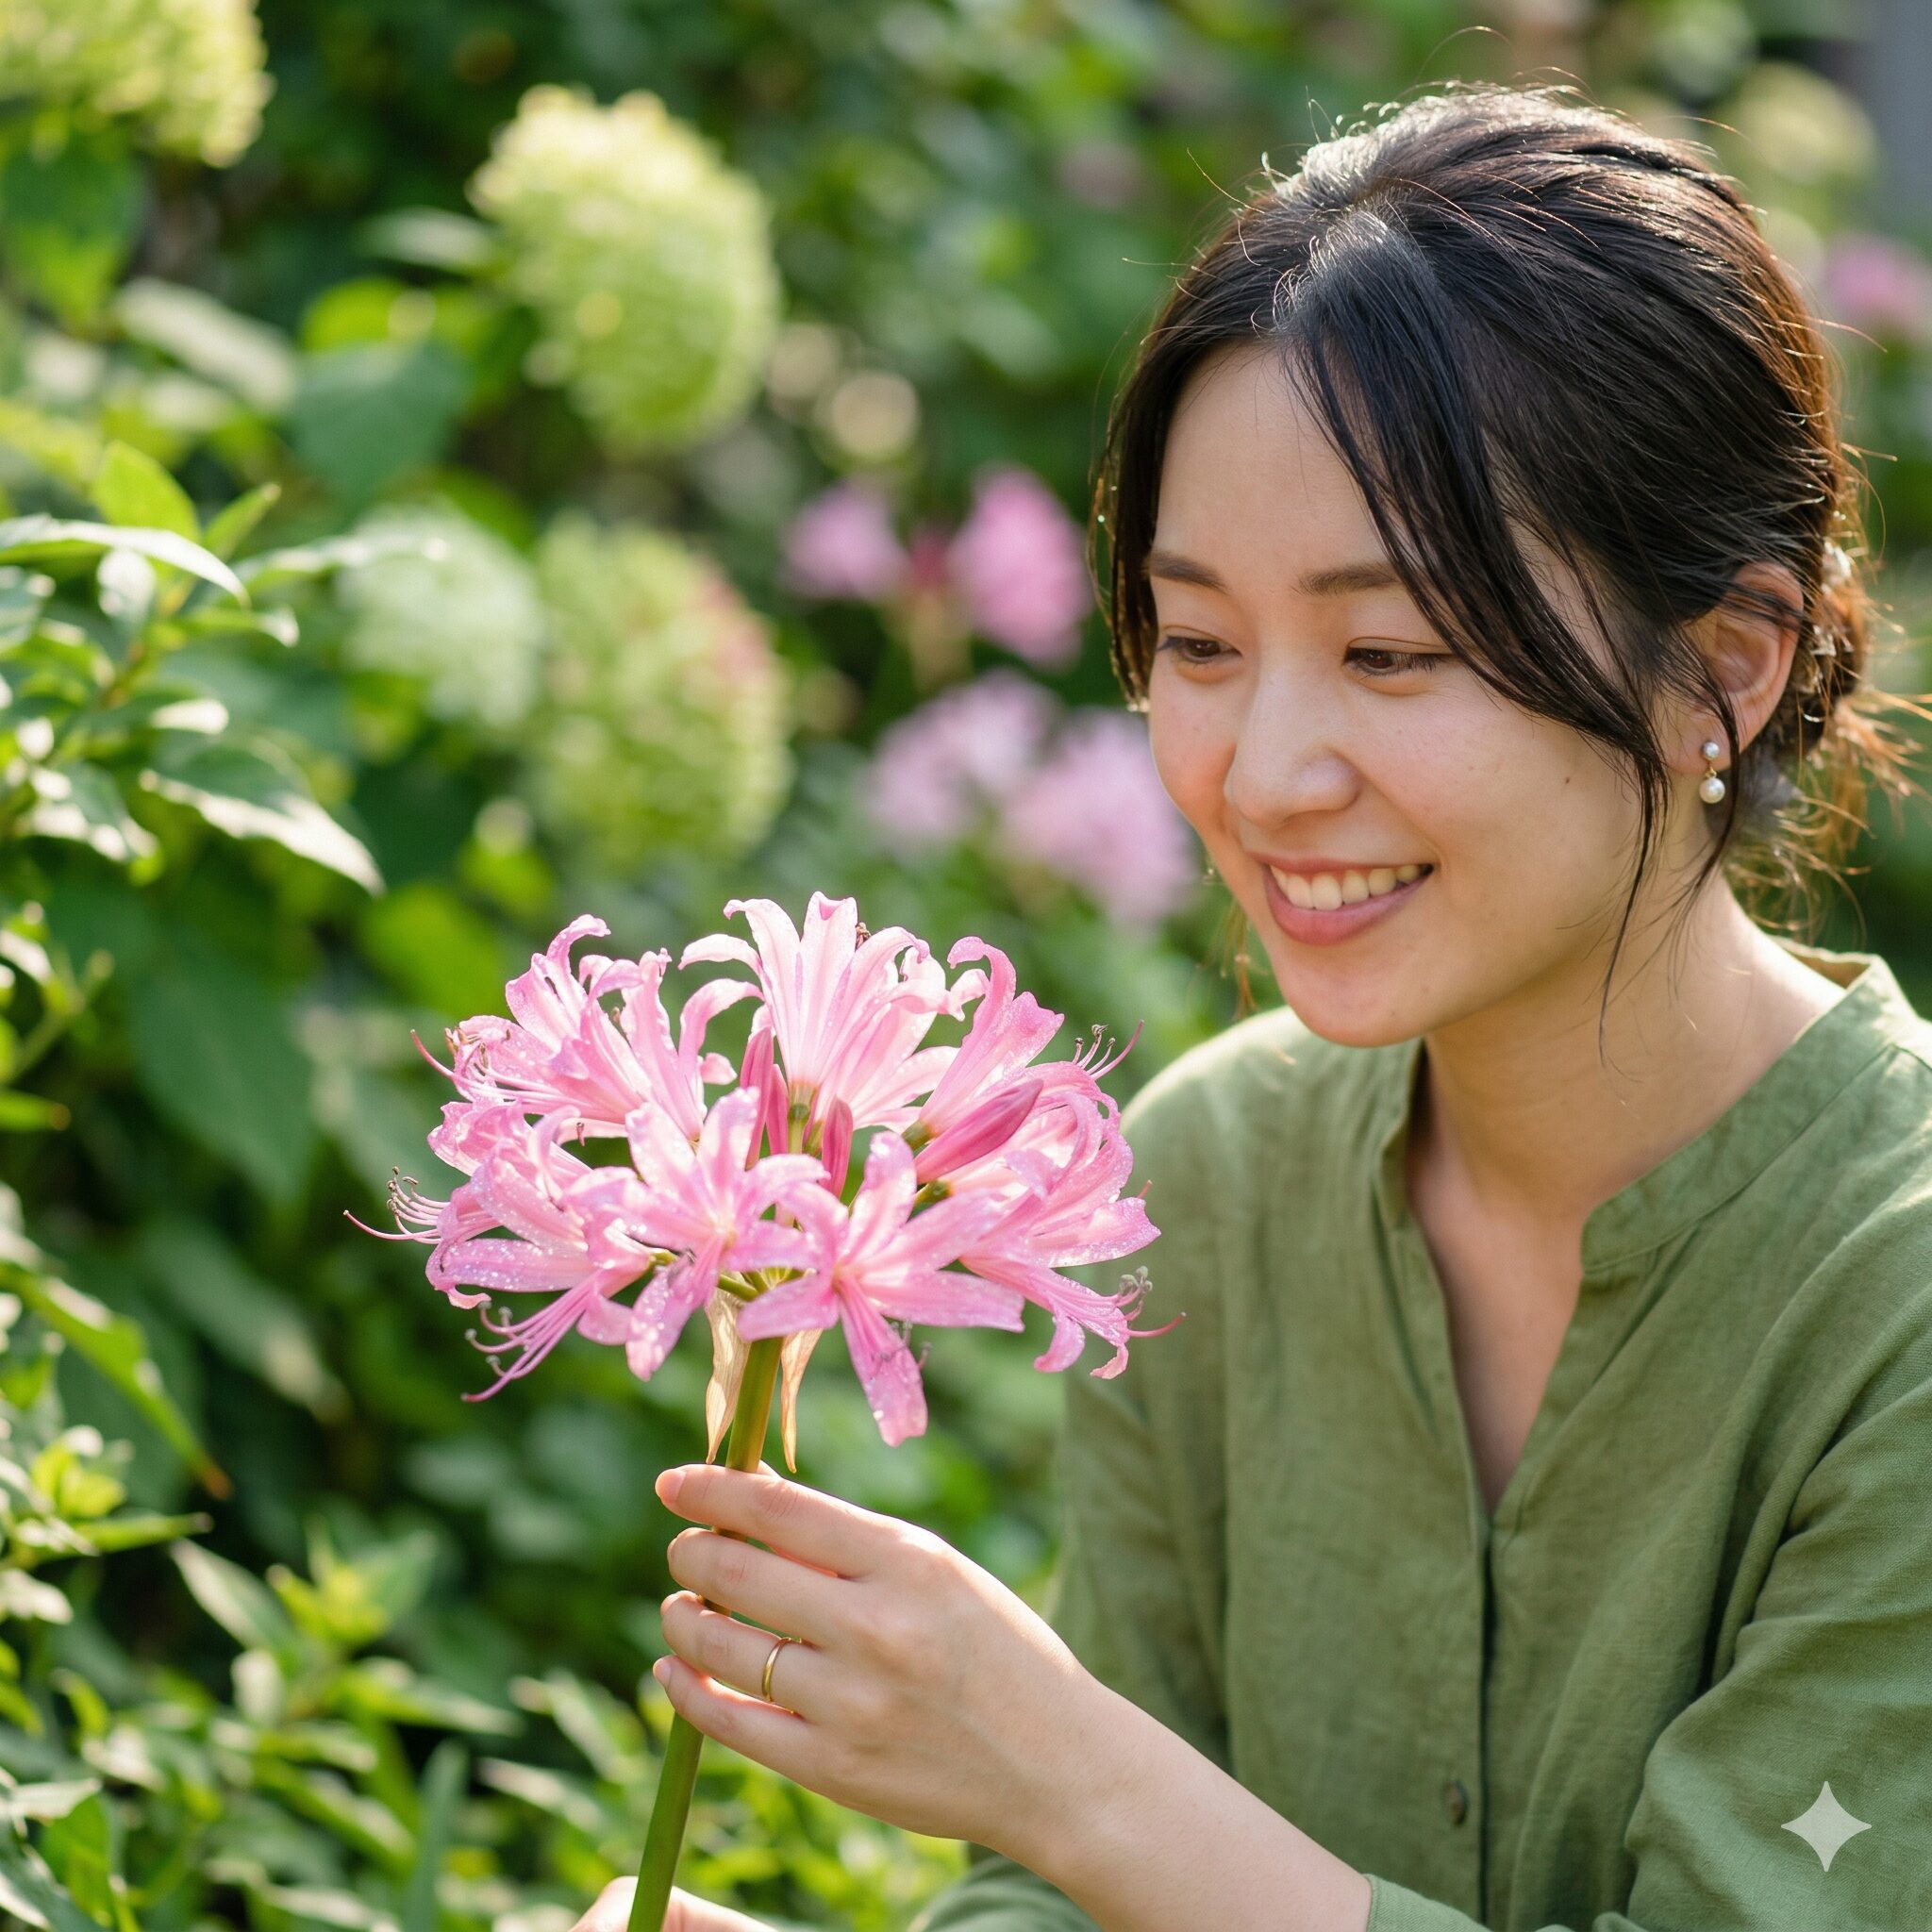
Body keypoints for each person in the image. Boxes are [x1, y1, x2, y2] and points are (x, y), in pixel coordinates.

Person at [575, 83, 1932, 1932]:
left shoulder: (1891, 1292)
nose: (1264, 773)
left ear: (1726, 667)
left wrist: (1064, 1771)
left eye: (1389, 650)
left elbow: (1100, 1824)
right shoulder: (1207, 1174)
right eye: (1200, 642)